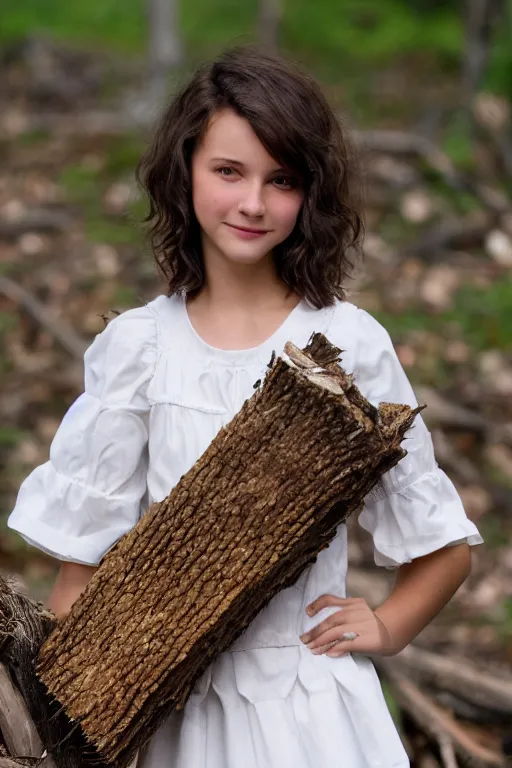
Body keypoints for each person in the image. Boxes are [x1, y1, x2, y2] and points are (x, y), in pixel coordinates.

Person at [8, 46, 483, 767]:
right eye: (228, 171)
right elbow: (80, 578)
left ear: (309, 192)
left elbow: (442, 550)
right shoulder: (139, 349)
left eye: (281, 180)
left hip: (314, 709)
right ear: (185, 170)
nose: (254, 203)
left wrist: (387, 627)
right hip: (176, 713)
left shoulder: (348, 344)